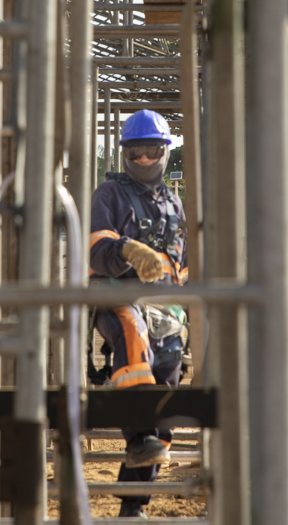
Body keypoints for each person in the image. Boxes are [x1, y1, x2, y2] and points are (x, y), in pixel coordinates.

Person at [88, 109, 188, 519]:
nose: (144, 161)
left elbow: (182, 264)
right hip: (116, 297)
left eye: (151, 152)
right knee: (132, 334)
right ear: (124, 155)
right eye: (136, 154)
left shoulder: (173, 203)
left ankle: (133, 504)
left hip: (163, 305)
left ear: (164, 153)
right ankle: (137, 430)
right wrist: (127, 249)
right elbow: (97, 250)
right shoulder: (108, 196)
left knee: (163, 405)